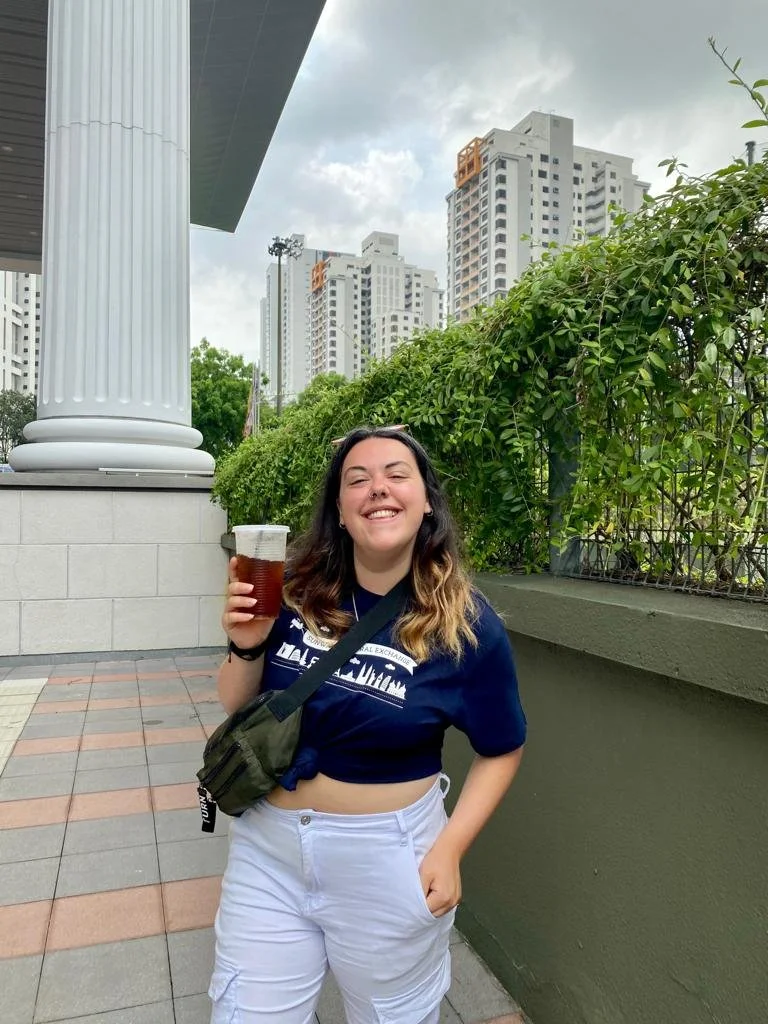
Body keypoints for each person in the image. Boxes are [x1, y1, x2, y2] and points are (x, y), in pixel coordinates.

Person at [209, 425, 526, 1024]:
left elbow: (502, 747)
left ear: (426, 501)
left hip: (388, 860)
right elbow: (235, 704)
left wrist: (451, 847)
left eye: (395, 475)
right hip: (268, 850)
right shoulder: (295, 592)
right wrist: (247, 645)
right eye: (358, 480)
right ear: (341, 512)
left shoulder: (467, 627)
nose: (377, 488)